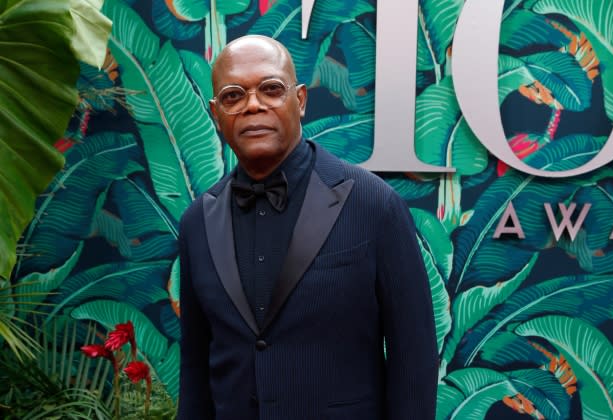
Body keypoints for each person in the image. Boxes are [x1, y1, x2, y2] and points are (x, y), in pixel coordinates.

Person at [177, 34, 438, 420]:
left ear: (299, 100)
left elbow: (413, 360)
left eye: (270, 89)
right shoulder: (197, 222)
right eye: (234, 96)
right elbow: (196, 369)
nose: (253, 105)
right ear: (216, 113)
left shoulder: (373, 204)